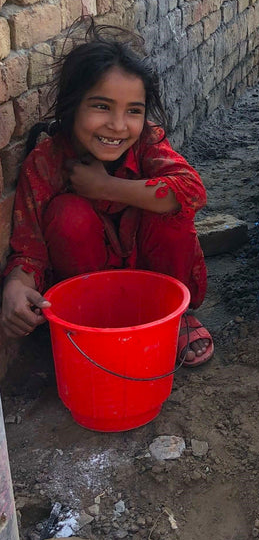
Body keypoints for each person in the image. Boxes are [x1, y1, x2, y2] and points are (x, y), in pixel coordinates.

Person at [0, 21, 213, 367]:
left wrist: (106, 187)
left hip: (153, 284)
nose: (117, 125)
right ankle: (94, 327)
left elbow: (191, 190)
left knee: (171, 209)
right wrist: (14, 287)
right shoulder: (45, 162)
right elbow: (30, 251)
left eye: (133, 111)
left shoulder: (147, 142)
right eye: (101, 106)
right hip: (86, 294)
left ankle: (174, 317)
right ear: (72, 107)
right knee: (69, 214)